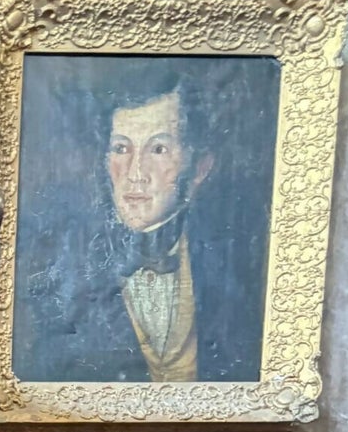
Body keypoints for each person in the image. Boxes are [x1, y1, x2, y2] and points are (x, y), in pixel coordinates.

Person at [13, 62, 267, 384]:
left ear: (200, 167)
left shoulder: (238, 265)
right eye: (121, 148)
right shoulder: (62, 267)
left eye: (158, 149)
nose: (136, 174)